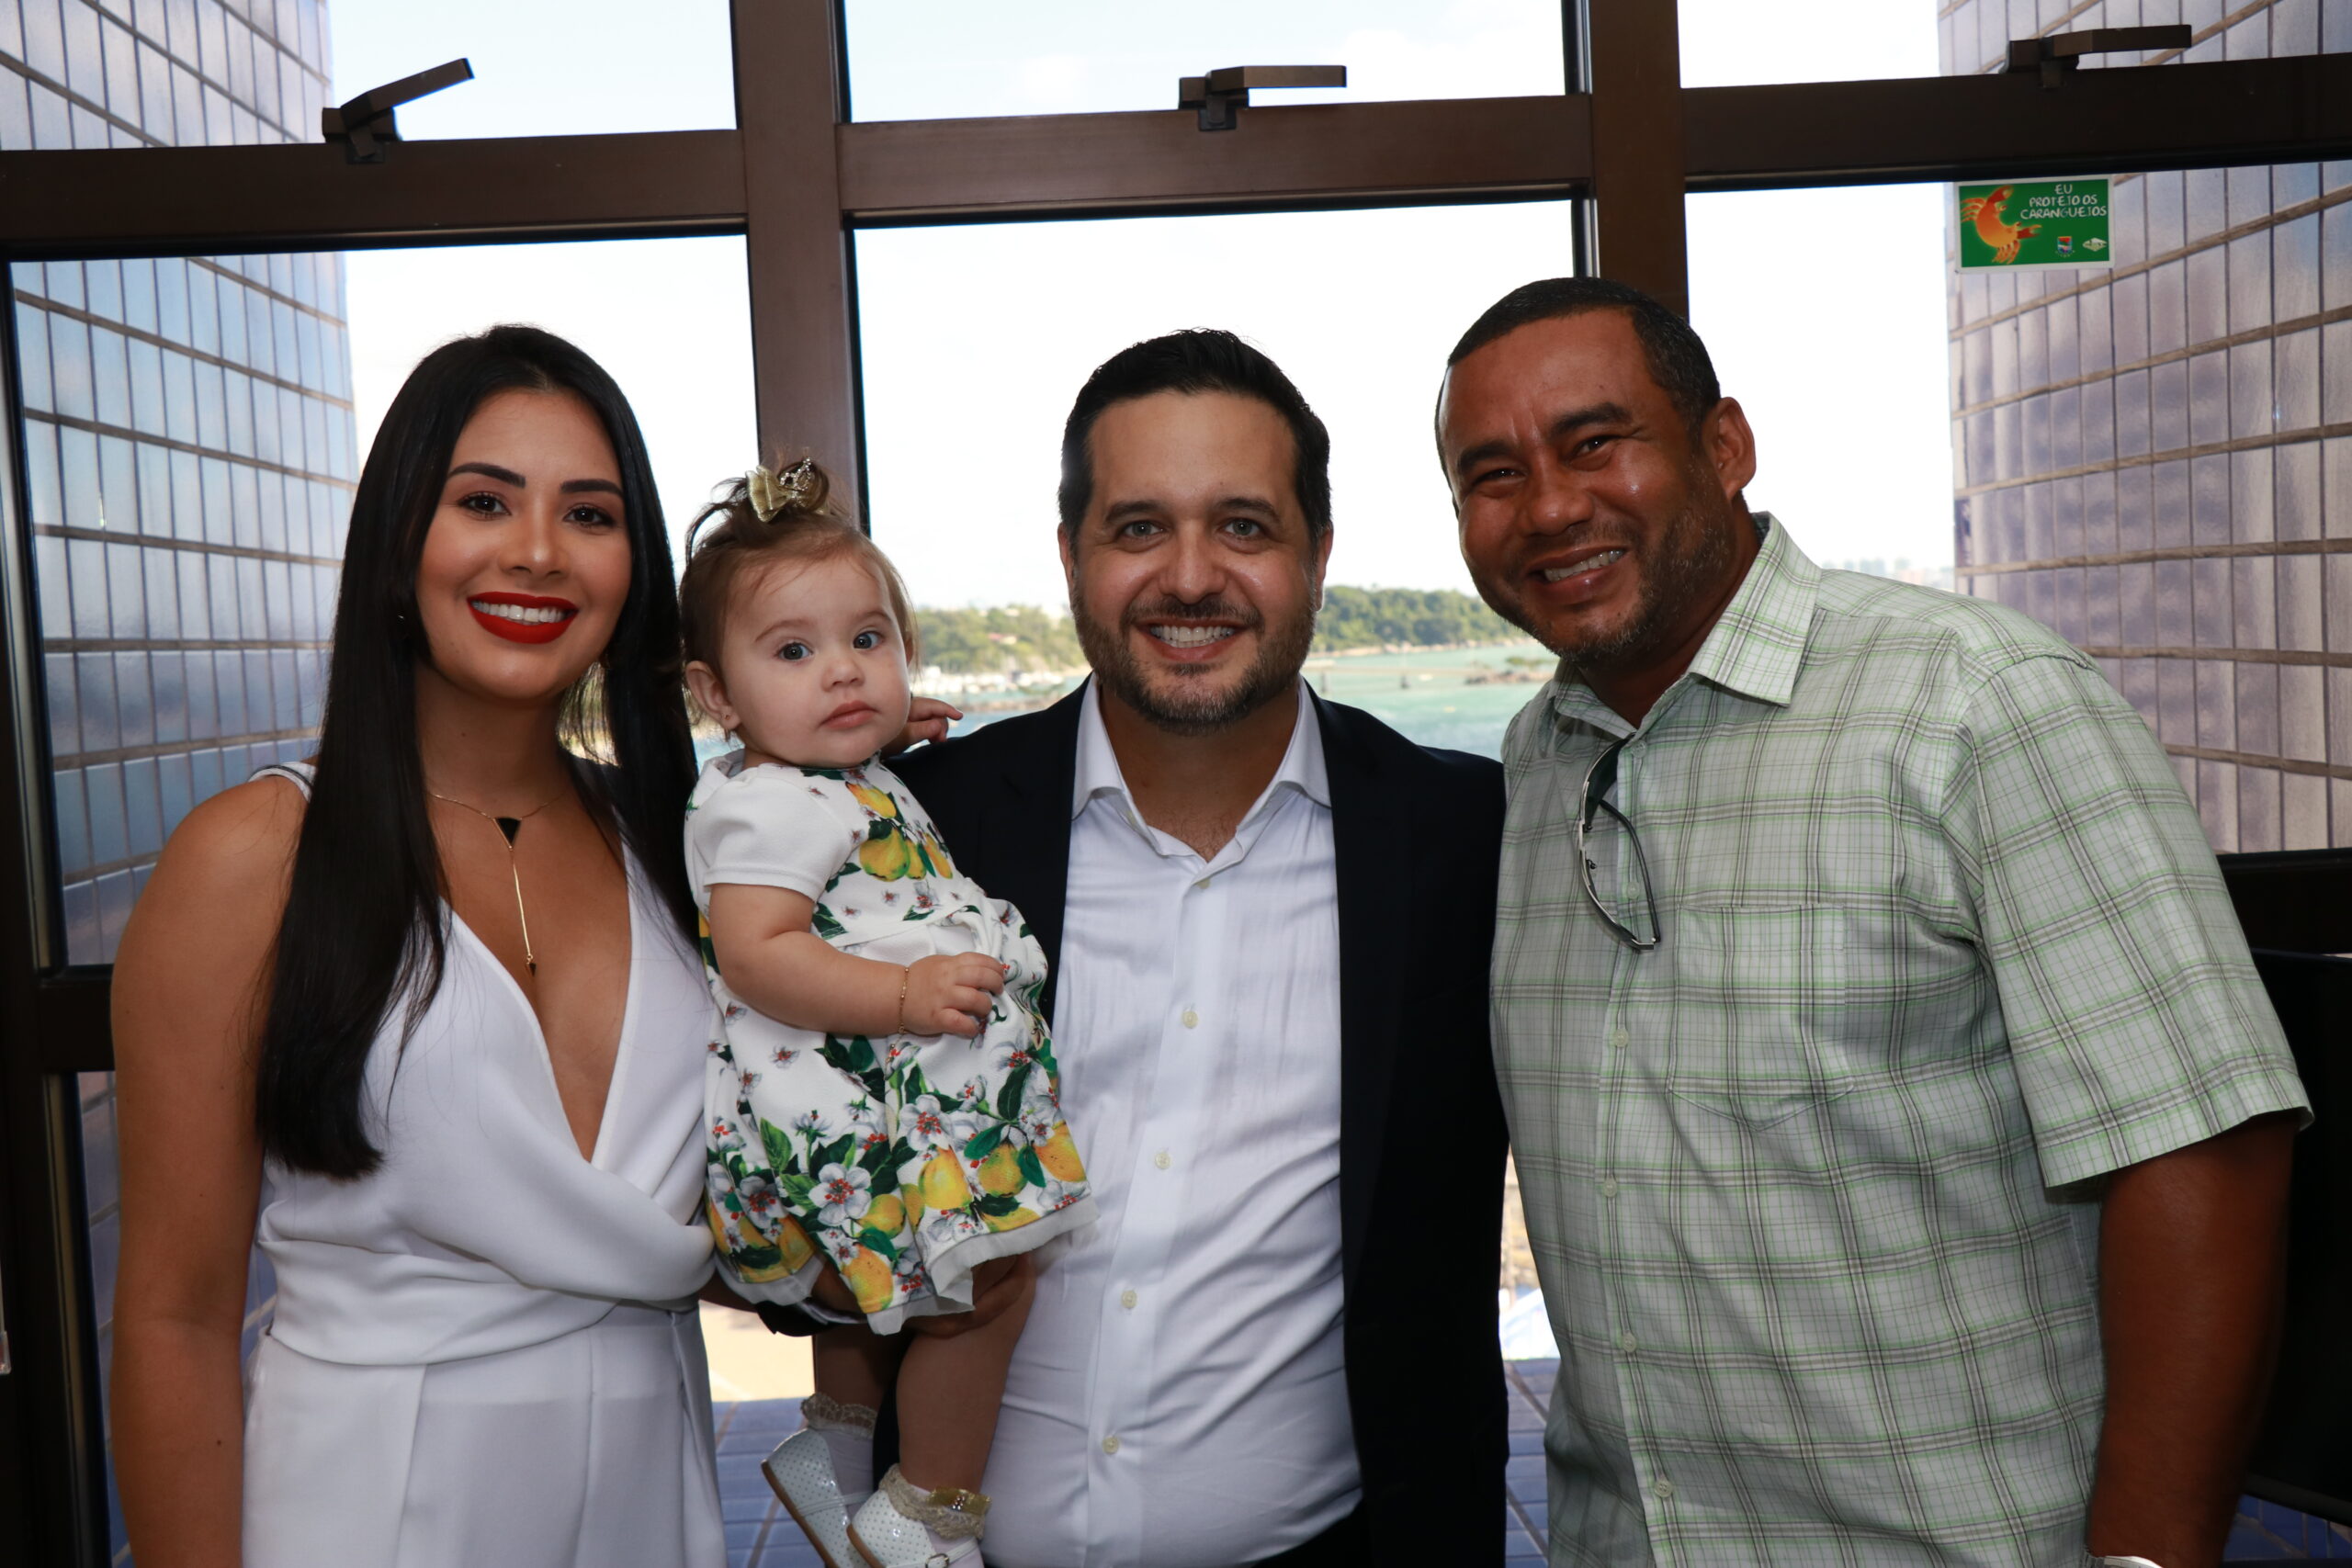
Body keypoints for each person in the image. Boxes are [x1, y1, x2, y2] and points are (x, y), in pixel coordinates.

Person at [1438, 276, 2310, 1568]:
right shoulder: (1535, 764)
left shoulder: (1979, 704)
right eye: (1493, 474)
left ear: (1724, 445)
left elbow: (2204, 1150)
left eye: (1596, 441)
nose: (1552, 506)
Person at [887, 329, 1510, 1568]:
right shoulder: (922, 829)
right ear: (1070, 554)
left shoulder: (1462, 837)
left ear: (1316, 553)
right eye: (1137, 527)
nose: (1188, 576)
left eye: (1242, 525)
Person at [109, 326, 726, 1568]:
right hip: (367, 1504)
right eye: (483, 501)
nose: (538, 550)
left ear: (633, 570)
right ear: (399, 539)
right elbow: (175, 1317)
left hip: (652, 1494)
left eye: (590, 514)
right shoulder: (256, 854)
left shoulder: (686, 844)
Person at [678, 457, 1095, 1568]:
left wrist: (881, 736)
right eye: (793, 653)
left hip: (845, 1104)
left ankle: (832, 1461)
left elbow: (840, 853)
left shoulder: (808, 777)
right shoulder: (769, 808)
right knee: (990, 1283)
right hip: (844, 1104)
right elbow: (759, 952)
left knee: (878, 1300)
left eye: (868, 641)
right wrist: (905, 994)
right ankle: (922, 1520)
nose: (841, 671)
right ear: (716, 695)